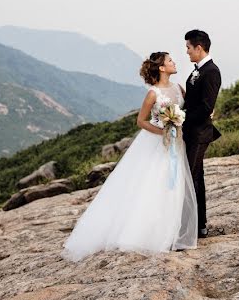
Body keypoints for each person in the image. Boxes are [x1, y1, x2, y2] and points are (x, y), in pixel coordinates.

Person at [61, 52, 199, 261]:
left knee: (174, 185)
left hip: (176, 143)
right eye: (170, 61)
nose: (174, 62)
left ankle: (170, 233)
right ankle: (147, 234)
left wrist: (186, 120)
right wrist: (163, 131)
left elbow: (190, 109)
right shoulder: (153, 94)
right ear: (161, 68)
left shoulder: (179, 88)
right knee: (154, 184)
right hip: (156, 143)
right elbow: (141, 121)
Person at [182, 29, 222, 239]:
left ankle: (193, 226)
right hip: (191, 132)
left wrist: (182, 118)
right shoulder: (197, 70)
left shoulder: (211, 71)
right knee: (195, 177)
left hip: (199, 133)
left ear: (199, 47)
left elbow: (206, 107)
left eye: (188, 48)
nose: (187, 52)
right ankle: (199, 225)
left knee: (191, 178)